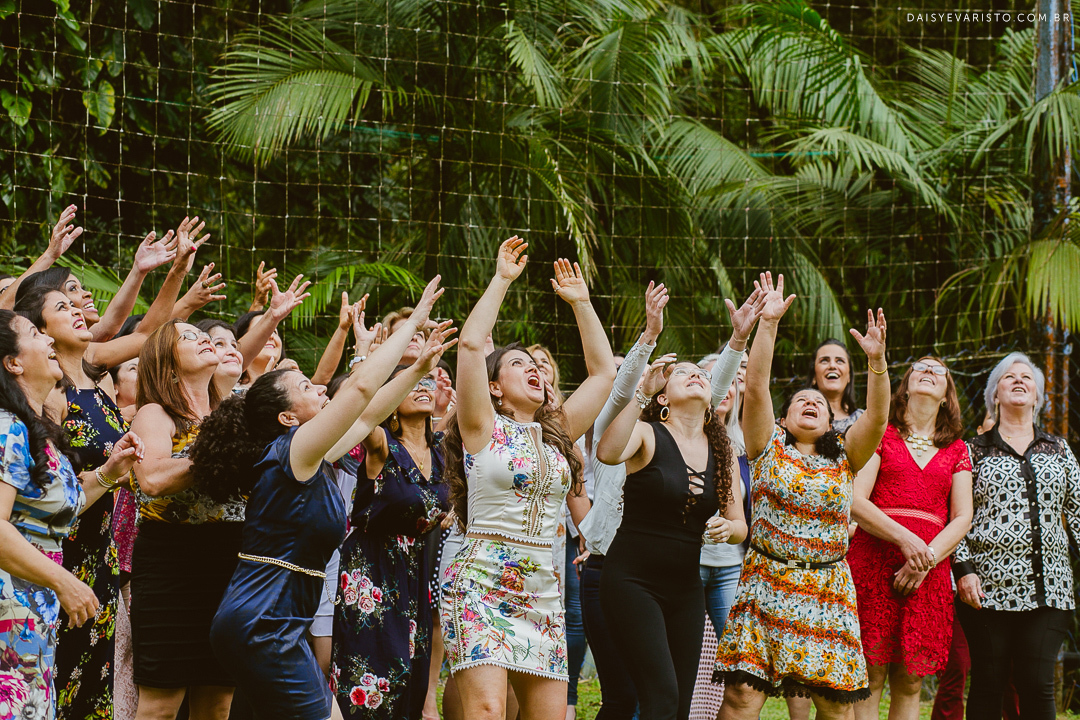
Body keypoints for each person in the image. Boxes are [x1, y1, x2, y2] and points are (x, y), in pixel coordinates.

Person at [200, 278, 452, 720]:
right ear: (286, 417)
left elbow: (369, 410)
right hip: (264, 622)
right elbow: (355, 392)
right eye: (306, 389)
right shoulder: (292, 451)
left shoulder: (312, 456)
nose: (319, 389)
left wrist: (417, 368)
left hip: (274, 620)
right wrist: (410, 323)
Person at [441, 238, 615, 719]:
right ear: (493, 387)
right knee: (488, 711)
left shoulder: (557, 433)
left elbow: (602, 373)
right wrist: (501, 279)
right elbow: (474, 345)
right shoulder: (482, 427)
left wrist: (582, 304)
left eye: (537, 364)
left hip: (543, 586)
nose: (535, 369)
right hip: (481, 581)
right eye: (519, 363)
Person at [716, 272, 889, 720]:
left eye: (819, 402)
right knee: (740, 698)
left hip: (826, 589)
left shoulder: (846, 455)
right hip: (764, 583)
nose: (811, 402)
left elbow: (878, 416)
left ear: (832, 421)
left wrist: (877, 364)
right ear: (784, 417)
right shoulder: (766, 446)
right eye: (799, 401)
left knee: (834, 707)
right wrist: (768, 324)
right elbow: (755, 387)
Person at [594, 287, 760, 720]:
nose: (696, 375)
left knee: (678, 706)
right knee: (661, 697)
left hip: (686, 589)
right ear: (663, 398)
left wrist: (730, 529)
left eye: (700, 373)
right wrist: (642, 396)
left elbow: (740, 524)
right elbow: (608, 452)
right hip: (632, 581)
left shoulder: (721, 447)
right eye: (681, 372)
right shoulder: (648, 433)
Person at [0, 309, 143, 719]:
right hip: (10, 603)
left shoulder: (36, 427)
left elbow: (59, 509)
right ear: (13, 362)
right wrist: (65, 581)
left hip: (35, 607)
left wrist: (109, 472)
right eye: (34, 333)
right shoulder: (7, 426)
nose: (48, 341)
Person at [953, 352, 1080, 720]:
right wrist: (963, 570)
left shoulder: (1059, 449)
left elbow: (1076, 513)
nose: (1019, 381)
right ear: (995, 393)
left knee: (1037, 683)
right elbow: (956, 514)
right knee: (988, 682)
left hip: (1050, 588)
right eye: (1010, 377)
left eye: (1027, 378)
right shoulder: (971, 451)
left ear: (1038, 397)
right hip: (985, 589)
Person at [126, 321, 243, 720]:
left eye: (202, 334)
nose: (205, 339)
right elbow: (154, 479)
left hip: (230, 562)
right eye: (189, 337)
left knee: (218, 702)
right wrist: (221, 451)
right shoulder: (155, 414)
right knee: (160, 705)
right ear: (168, 364)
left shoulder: (233, 414)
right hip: (171, 563)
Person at [331, 346, 455, 718]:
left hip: (415, 570)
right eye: (411, 383)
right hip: (370, 569)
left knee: (409, 678)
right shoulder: (382, 445)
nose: (423, 386)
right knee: (371, 677)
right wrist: (370, 359)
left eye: (428, 381)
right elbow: (362, 413)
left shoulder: (443, 451)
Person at [848, 357, 973, 720]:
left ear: (947, 395)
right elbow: (855, 499)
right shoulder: (880, 433)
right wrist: (907, 540)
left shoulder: (957, 450)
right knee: (869, 672)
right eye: (921, 367)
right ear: (905, 386)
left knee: (911, 679)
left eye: (938, 370)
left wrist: (926, 558)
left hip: (928, 573)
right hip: (873, 561)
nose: (929, 372)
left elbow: (963, 516)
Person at [808, 339, 863, 434]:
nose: (832, 366)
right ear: (814, 376)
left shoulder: (863, 419)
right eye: (824, 361)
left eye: (840, 361)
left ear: (849, 376)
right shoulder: (796, 419)